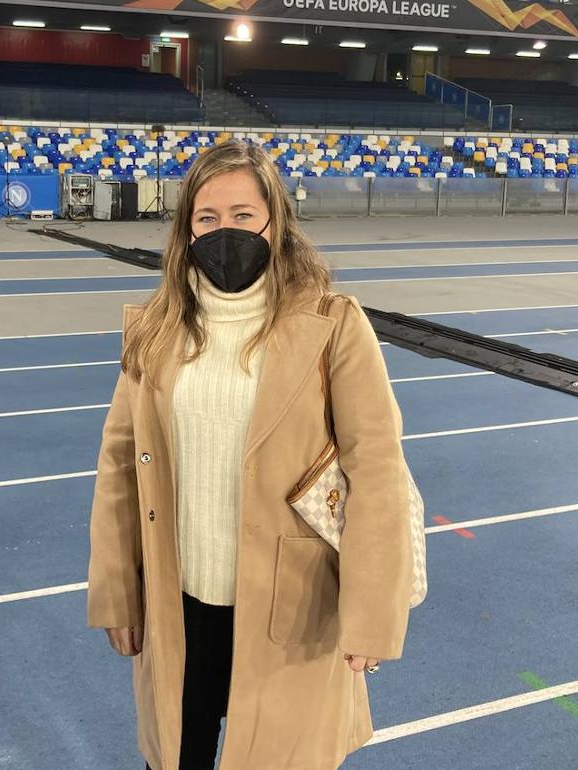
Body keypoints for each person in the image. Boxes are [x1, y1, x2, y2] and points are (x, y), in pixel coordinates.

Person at [87, 140, 420, 770]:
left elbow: (376, 468)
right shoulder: (155, 329)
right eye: (207, 218)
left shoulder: (333, 324)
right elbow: (119, 467)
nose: (225, 231)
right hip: (177, 603)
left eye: (243, 215)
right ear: (186, 228)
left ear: (276, 221)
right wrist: (116, 595)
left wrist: (373, 611)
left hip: (289, 606)